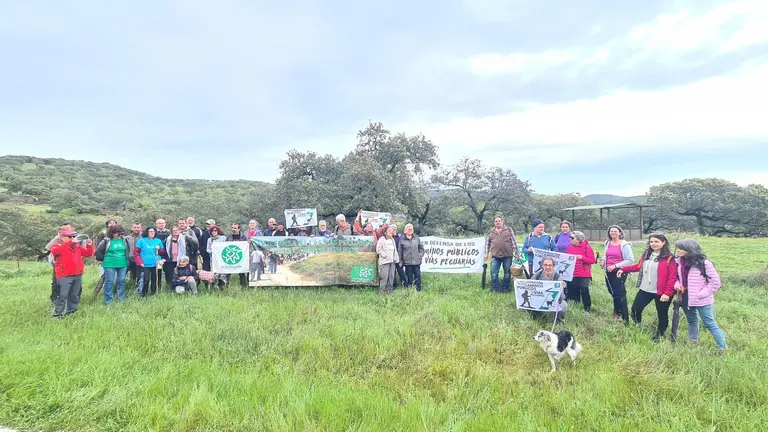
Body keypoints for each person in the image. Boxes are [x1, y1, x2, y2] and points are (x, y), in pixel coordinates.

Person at [617, 233, 677, 343]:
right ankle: (637, 326)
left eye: (656, 241)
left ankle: (659, 334)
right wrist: (624, 269)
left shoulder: (669, 258)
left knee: (662, 314)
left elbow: (672, 278)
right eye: (651, 241)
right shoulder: (647, 254)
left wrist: (667, 293)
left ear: (663, 243)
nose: (653, 244)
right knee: (635, 309)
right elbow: (638, 267)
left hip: (662, 292)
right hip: (645, 289)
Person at [674, 239, 727, 352]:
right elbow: (677, 278)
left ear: (689, 250)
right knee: (692, 320)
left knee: (709, 323)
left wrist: (700, 295)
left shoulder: (705, 264)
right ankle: (693, 342)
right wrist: (678, 286)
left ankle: (722, 348)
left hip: (702, 299)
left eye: (681, 248)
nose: (678, 250)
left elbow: (715, 283)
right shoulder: (678, 262)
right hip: (685, 296)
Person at [50, 228, 94, 318]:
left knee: (74, 295)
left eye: (74, 236)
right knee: (62, 295)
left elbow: (87, 254)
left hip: (77, 274)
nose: (73, 238)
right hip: (64, 275)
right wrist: (71, 243)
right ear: (63, 237)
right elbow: (56, 252)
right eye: (70, 236)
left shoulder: (76, 247)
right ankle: (57, 315)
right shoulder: (56, 245)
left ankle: (71, 312)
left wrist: (89, 245)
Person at [599, 225, 635, 324]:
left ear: (619, 233)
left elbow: (630, 260)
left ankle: (619, 313)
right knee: (611, 290)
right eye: (611, 231)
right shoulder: (607, 243)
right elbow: (606, 254)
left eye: (615, 231)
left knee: (618, 293)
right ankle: (619, 310)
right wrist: (603, 260)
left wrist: (615, 266)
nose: (613, 233)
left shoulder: (625, 245)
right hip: (608, 271)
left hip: (620, 271)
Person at [94, 224, 130, 305]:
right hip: (109, 264)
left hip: (122, 263)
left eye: (121, 233)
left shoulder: (124, 240)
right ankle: (108, 300)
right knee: (109, 281)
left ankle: (121, 298)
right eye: (118, 233)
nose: (119, 235)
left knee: (121, 280)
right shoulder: (106, 240)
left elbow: (127, 250)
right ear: (112, 233)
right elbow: (98, 252)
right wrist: (105, 259)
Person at [485, 215, 521, 293]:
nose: (498, 222)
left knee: (507, 273)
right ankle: (496, 289)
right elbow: (487, 243)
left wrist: (517, 253)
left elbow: (514, 242)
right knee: (493, 273)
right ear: (494, 222)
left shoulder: (508, 230)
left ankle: (506, 288)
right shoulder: (491, 231)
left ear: (502, 221)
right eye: (496, 221)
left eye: (499, 221)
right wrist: (486, 254)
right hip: (495, 255)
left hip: (507, 255)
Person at [565, 231, 595, 312]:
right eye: (570, 237)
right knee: (574, 290)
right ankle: (576, 307)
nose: (570, 239)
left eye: (572, 238)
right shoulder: (569, 247)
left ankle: (587, 309)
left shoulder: (587, 247)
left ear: (579, 239)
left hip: (584, 273)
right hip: (573, 272)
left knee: (584, 291)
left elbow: (592, 260)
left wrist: (582, 257)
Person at [530, 257, 567, 322]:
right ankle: (536, 317)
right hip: (540, 297)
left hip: (554, 299)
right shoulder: (538, 274)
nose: (547, 267)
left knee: (563, 306)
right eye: (545, 265)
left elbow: (562, 297)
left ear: (553, 266)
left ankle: (559, 320)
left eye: (550, 265)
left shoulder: (557, 277)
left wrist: (561, 287)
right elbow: (529, 285)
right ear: (542, 266)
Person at [45, 221, 73, 303]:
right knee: (55, 282)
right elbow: (48, 247)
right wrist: (58, 236)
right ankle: (54, 299)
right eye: (64, 229)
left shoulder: (74, 238)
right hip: (58, 264)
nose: (66, 230)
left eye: (68, 228)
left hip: (71, 263)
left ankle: (70, 299)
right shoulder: (57, 239)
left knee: (71, 282)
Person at [134, 227, 165, 297]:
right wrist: (140, 262)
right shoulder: (141, 241)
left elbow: (162, 252)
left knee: (155, 279)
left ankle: (153, 293)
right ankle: (143, 294)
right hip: (145, 264)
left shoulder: (158, 241)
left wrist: (159, 249)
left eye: (153, 231)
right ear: (147, 232)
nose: (152, 233)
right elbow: (136, 253)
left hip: (155, 263)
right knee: (146, 279)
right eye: (150, 231)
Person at [163, 226, 193, 291]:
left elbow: (192, 247)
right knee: (169, 274)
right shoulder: (167, 239)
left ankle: (183, 287)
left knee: (181, 274)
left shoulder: (185, 238)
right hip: (170, 260)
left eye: (177, 230)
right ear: (171, 232)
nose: (175, 231)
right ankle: (170, 288)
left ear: (179, 231)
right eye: (174, 230)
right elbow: (165, 250)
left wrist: (188, 256)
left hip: (182, 261)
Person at [398, 224, 425, 291]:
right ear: (405, 231)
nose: (410, 230)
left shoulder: (416, 238)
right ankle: (410, 290)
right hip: (407, 262)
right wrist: (400, 261)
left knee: (418, 277)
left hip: (416, 261)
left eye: (411, 229)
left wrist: (420, 255)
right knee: (409, 277)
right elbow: (400, 251)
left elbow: (421, 248)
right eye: (409, 229)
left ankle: (418, 290)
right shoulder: (402, 240)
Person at [376, 226, 399, 295]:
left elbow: (395, 250)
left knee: (391, 277)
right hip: (385, 262)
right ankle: (382, 292)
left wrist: (396, 259)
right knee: (384, 277)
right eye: (389, 230)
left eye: (391, 230)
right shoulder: (381, 240)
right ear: (385, 232)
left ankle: (390, 291)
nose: (391, 232)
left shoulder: (392, 239)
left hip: (392, 262)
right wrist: (385, 255)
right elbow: (378, 250)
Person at [125, 222, 144, 294]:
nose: (136, 229)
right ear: (131, 228)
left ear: (141, 228)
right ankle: (127, 289)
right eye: (135, 227)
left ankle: (139, 292)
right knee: (124, 275)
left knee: (139, 276)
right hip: (129, 259)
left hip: (139, 260)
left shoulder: (143, 238)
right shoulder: (127, 238)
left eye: (138, 227)